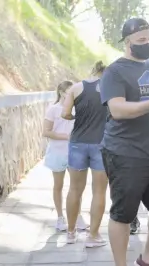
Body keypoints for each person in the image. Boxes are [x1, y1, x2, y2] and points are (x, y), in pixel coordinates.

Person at [99, 18, 149, 266]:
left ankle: (147, 257)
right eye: (141, 40)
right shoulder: (115, 72)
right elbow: (117, 109)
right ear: (128, 43)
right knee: (123, 215)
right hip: (125, 152)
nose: (148, 44)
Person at [62, 61, 108, 248]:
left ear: (92, 70)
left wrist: (75, 117)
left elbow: (65, 113)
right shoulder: (110, 88)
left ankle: (71, 233)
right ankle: (93, 236)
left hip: (78, 143)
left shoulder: (76, 87)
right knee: (99, 191)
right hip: (101, 144)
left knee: (74, 189)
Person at [43, 80, 74, 231]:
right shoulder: (53, 109)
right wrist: (66, 137)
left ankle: (76, 216)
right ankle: (60, 218)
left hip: (74, 153)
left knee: (76, 187)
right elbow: (46, 132)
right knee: (58, 186)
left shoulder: (76, 109)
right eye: (69, 92)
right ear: (62, 93)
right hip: (57, 152)